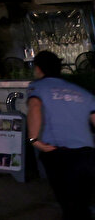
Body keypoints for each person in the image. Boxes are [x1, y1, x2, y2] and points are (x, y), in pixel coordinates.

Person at [27, 50, 95, 219]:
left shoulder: (38, 87)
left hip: (59, 154)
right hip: (87, 155)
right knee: (82, 203)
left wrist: (33, 139)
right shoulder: (81, 92)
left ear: (38, 68)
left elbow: (35, 106)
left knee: (69, 204)